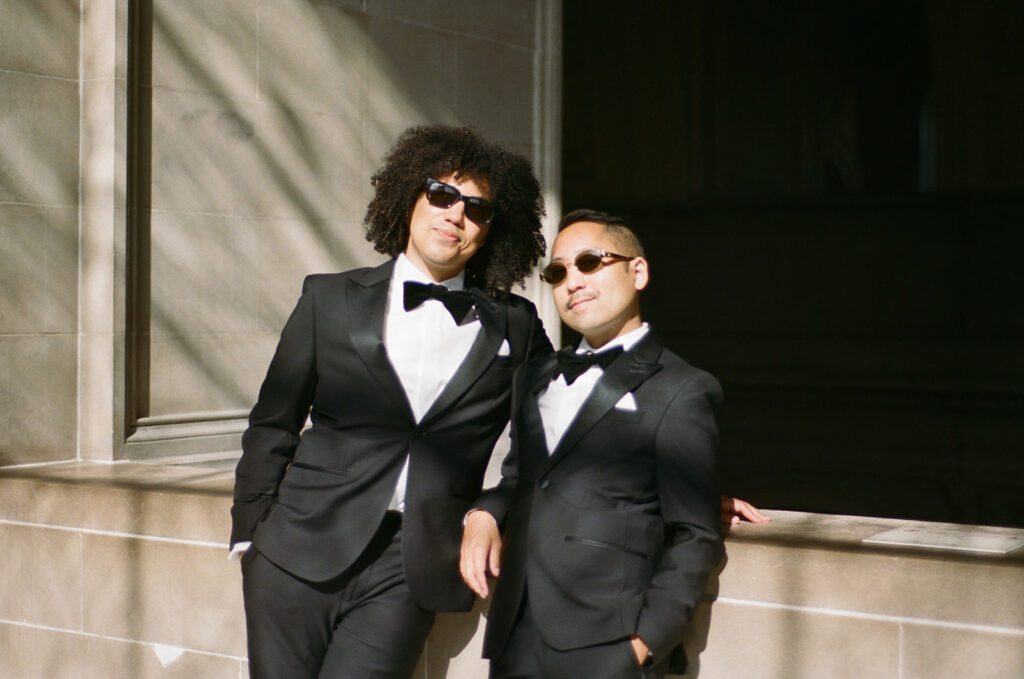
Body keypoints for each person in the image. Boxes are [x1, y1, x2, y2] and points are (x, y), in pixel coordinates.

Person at [229, 125, 550, 679]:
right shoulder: (326, 299)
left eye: (476, 208)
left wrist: (491, 509)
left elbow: (561, 427)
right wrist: (251, 538)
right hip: (293, 555)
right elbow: (272, 425)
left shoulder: (516, 326)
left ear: (493, 230)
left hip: (411, 566)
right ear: (409, 198)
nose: (455, 215)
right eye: (442, 194)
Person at [461, 209, 726, 678]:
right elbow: (522, 479)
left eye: (589, 262)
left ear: (637, 271)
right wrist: (483, 511)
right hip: (513, 639)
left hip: (607, 647)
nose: (572, 281)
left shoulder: (685, 388)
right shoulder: (533, 377)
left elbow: (694, 535)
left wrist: (641, 648)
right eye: (558, 272)